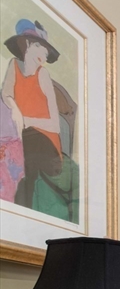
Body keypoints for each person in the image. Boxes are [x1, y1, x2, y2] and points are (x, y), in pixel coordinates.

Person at [1, 18, 76, 221]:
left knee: (23, 156)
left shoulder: (43, 75)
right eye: (38, 47)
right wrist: (15, 108)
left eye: (45, 50)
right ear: (26, 45)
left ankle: (17, 217)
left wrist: (26, 119)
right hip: (22, 134)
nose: (43, 54)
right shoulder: (14, 66)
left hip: (45, 141)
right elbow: (6, 94)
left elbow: (54, 125)